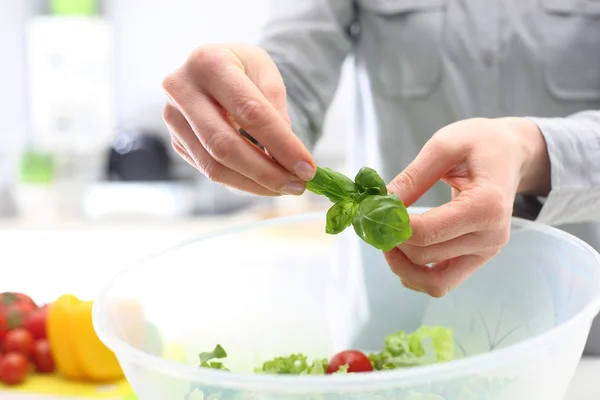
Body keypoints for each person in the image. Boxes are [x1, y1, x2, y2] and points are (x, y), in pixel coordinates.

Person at [161, 1, 600, 348]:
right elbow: (289, 78)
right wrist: (241, 105)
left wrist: (530, 150)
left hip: (575, 335)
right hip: (393, 331)